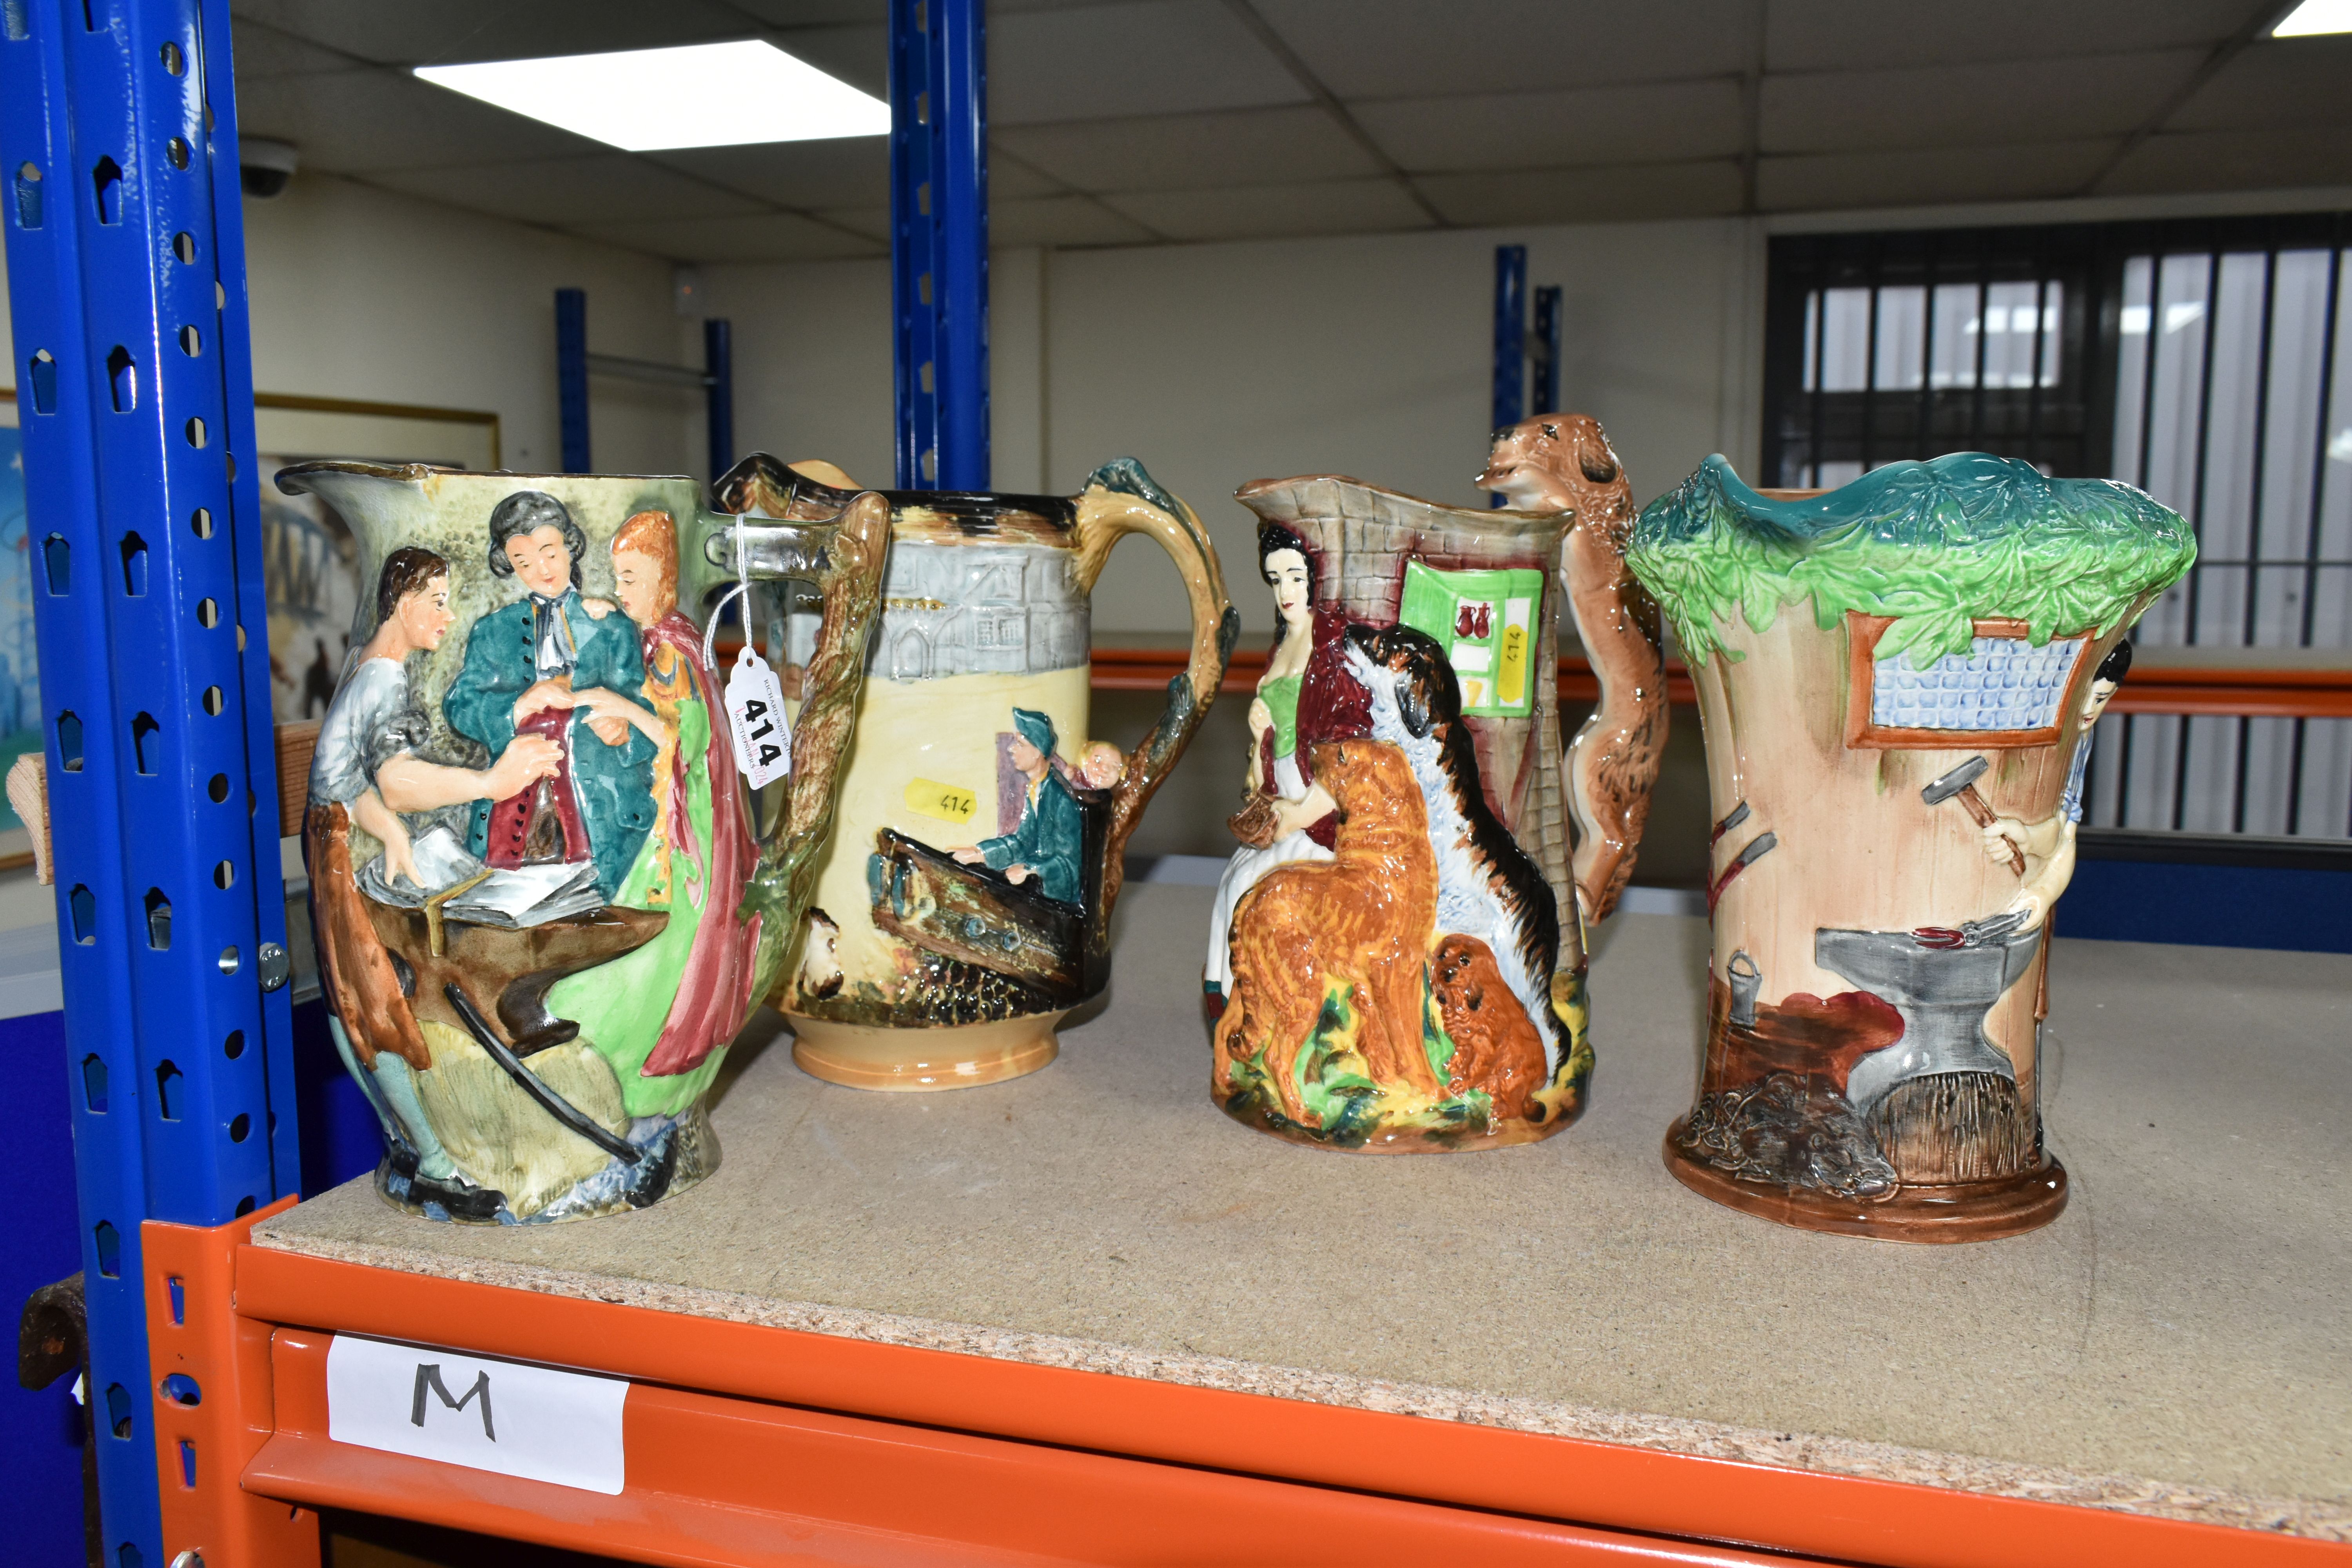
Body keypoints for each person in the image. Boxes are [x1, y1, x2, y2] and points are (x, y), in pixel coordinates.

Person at [305, 547, 561, 1203]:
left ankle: (417, 1145)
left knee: (352, 997)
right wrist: (492, 781)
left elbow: (346, 778)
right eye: (438, 600)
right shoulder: (384, 680)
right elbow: (395, 782)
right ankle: (436, 1159)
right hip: (336, 854)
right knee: (367, 1001)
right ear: (401, 601)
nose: (447, 616)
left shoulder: (375, 671)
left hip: (337, 841)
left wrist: (387, 830)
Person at [541, 511, 763, 1118]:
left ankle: (629, 1070)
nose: (623, 592)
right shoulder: (655, 641)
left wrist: (615, 705)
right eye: (619, 578)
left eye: (633, 578)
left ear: (667, 577)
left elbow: (685, 735)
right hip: (666, 812)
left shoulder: (675, 647)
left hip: (684, 826)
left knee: (657, 944)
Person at [443, 491, 657, 902]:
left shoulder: (609, 625)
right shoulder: (494, 631)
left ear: (569, 547)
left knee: (587, 898)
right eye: (523, 561)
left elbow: (651, 709)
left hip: (594, 800)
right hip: (519, 798)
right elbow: (460, 704)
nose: (540, 569)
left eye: (549, 553)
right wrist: (517, 707)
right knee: (513, 899)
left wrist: (625, 733)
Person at [1201, 524, 1370, 1006]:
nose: (1286, 592)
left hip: (1320, 818)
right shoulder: (1280, 650)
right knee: (1234, 882)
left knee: (1256, 891)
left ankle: (1256, 1003)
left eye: (1296, 578)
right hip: (1283, 803)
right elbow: (1258, 776)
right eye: (1276, 580)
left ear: (1316, 580)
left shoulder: (1334, 656)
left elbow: (1348, 759)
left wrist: (1300, 815)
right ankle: (1227, 995)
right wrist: (1258, 737)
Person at [1981, 639, 2133, 930]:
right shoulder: (2030, 739)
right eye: (2081, 698)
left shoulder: (2078, 743)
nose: (2089, 709)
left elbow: (2066, 834)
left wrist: (2044, 892)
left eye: (2101, 698)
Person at [949, 708, 1082, 906]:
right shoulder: (1037, 789)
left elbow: (1070, 866)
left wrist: (1032, 869)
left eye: (1020, 744)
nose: (1011, 749)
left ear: (1037, 751)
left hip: (1053, 904)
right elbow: (1023, 842)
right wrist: (981, 854)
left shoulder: (1060, 799)